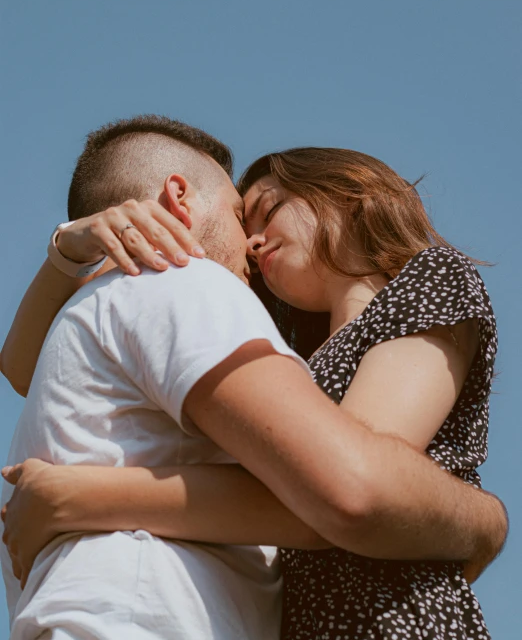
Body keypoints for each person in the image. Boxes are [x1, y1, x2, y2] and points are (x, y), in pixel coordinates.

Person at [1, 117, 506, 640]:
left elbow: (358, 487)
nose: (253, 242)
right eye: (245, 219)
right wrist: (73, 246)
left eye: (265, 211)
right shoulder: (275, 350)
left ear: (344, 192)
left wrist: (80, 496)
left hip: (391, 617)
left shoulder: (426, 279)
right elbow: (22, 366)